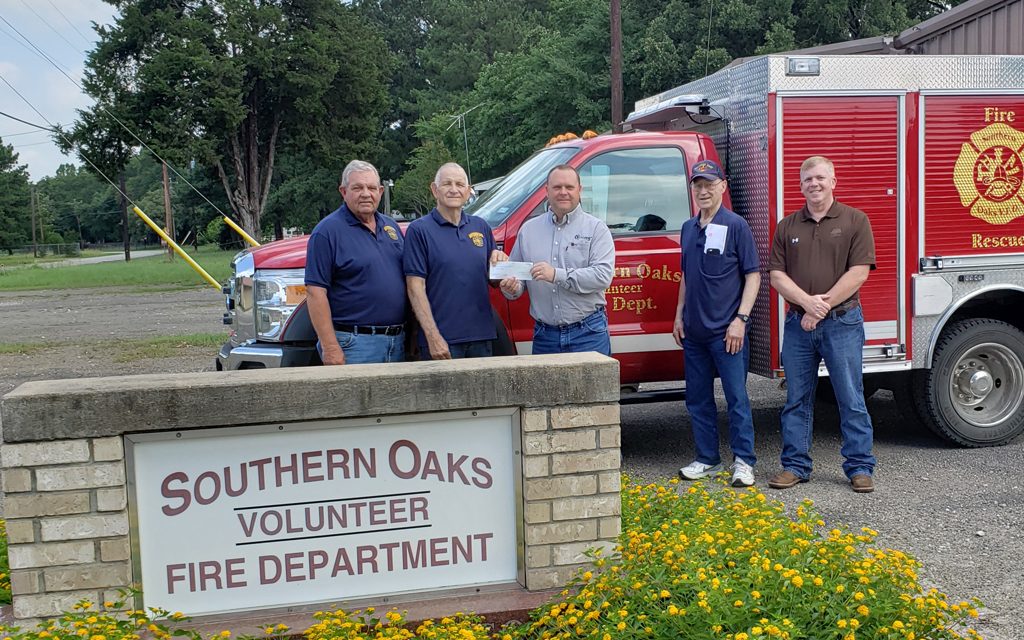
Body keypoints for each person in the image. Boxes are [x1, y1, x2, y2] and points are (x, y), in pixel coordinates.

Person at [767, 155, 877, 493]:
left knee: (850, 397)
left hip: (842, 322)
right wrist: (806, 304)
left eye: (819, 178)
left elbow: (858, 272)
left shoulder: (856, 220)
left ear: (833, 181)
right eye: (807, 180)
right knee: (797, 399)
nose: (813, 184)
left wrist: (821, 306)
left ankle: (859, 467)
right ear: (800, 185)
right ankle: (795, 466)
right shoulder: (788, 226)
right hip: (798, 325)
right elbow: (775, 276)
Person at [672, 159, 761, 487]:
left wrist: (740, 320)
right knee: (697, 399)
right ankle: (707, 458)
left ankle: (744, 461)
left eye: (710, 184)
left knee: (736, 398)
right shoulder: (688, 227)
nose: (703, 190)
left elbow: (752, 276)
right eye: (698, 184)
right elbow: (686, 276)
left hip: (727, 333)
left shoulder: (736, 225)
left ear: (723, 187)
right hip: (694, 333)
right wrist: (679, 314)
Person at [499, 165, 614, 355]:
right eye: (557, 187)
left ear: (580, 190)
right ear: (546, 191)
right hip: (545, 336)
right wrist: (511, 288)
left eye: (569, 187)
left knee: (591, 386)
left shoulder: (596, 229)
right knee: (547, 387)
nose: (563, 192)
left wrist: (556, 274)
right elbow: (518, 281)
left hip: (588, 332)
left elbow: (602, 276)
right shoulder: (528, 231)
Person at [304, 159, 406, 365]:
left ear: (380, 191)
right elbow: (315, 292)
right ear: (343, 191)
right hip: (353, 344)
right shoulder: (326, 232)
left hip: (397, 341)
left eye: (371, 188)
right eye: (357, 188)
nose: (366, 194)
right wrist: (330, 347)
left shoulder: (392, 228)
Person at [403, 162, 507, 359]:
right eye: (447, 184)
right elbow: (415, 288)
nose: (454, 190)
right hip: (443, 341)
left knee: (481, 392)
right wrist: (433, 337)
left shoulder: (481, 227)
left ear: (468, 191)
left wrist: (503, 269)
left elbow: (494, 279)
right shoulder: (419, 231)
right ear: (434, 190)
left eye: (460, 184)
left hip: (481, 337)